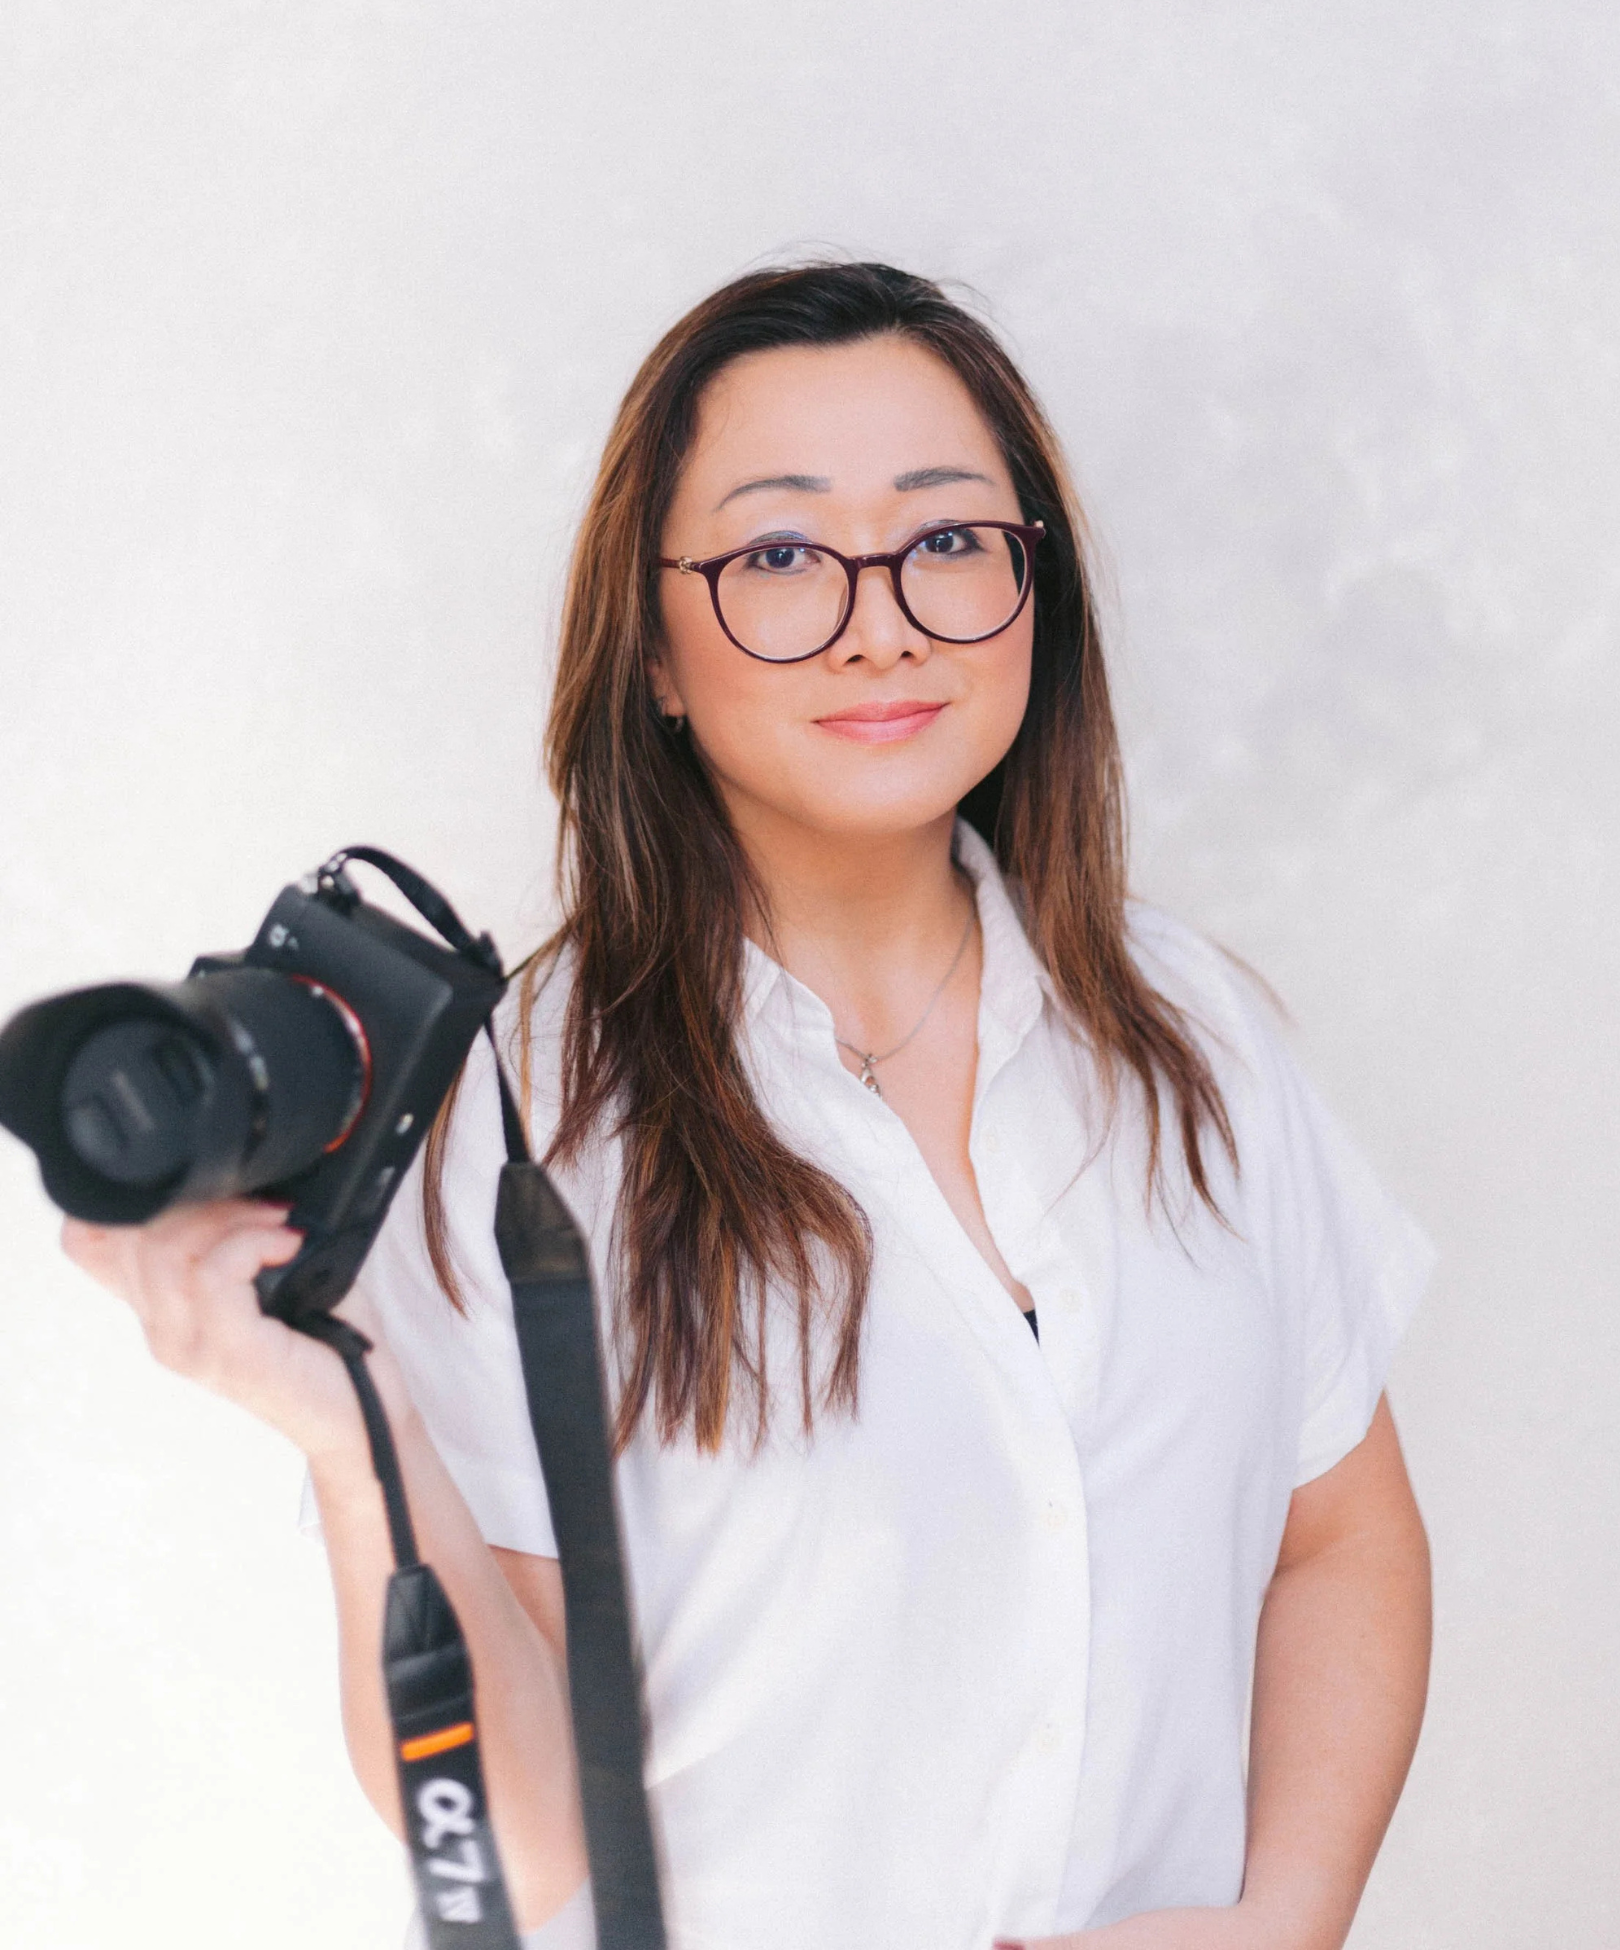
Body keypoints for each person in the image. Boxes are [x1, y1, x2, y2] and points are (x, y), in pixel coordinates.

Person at [63, 262, 1435, 1950]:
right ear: (650, 648)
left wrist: (1286, 1916)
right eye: (780, 552)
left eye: (946, 540)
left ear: (1034, 595)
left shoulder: (1191, 1036)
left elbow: (1342, 1533)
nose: (883, 618)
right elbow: (522, 1847)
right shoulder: (514, 1124)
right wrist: (360, 1444)